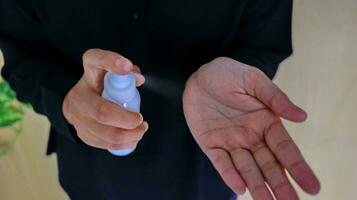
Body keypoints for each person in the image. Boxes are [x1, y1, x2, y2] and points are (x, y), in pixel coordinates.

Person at [0, 0, 321, 199]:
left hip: (208, 172)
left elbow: (264, 43)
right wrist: (66, 101)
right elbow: (22, 58)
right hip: (90, 179)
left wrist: (243, 73)